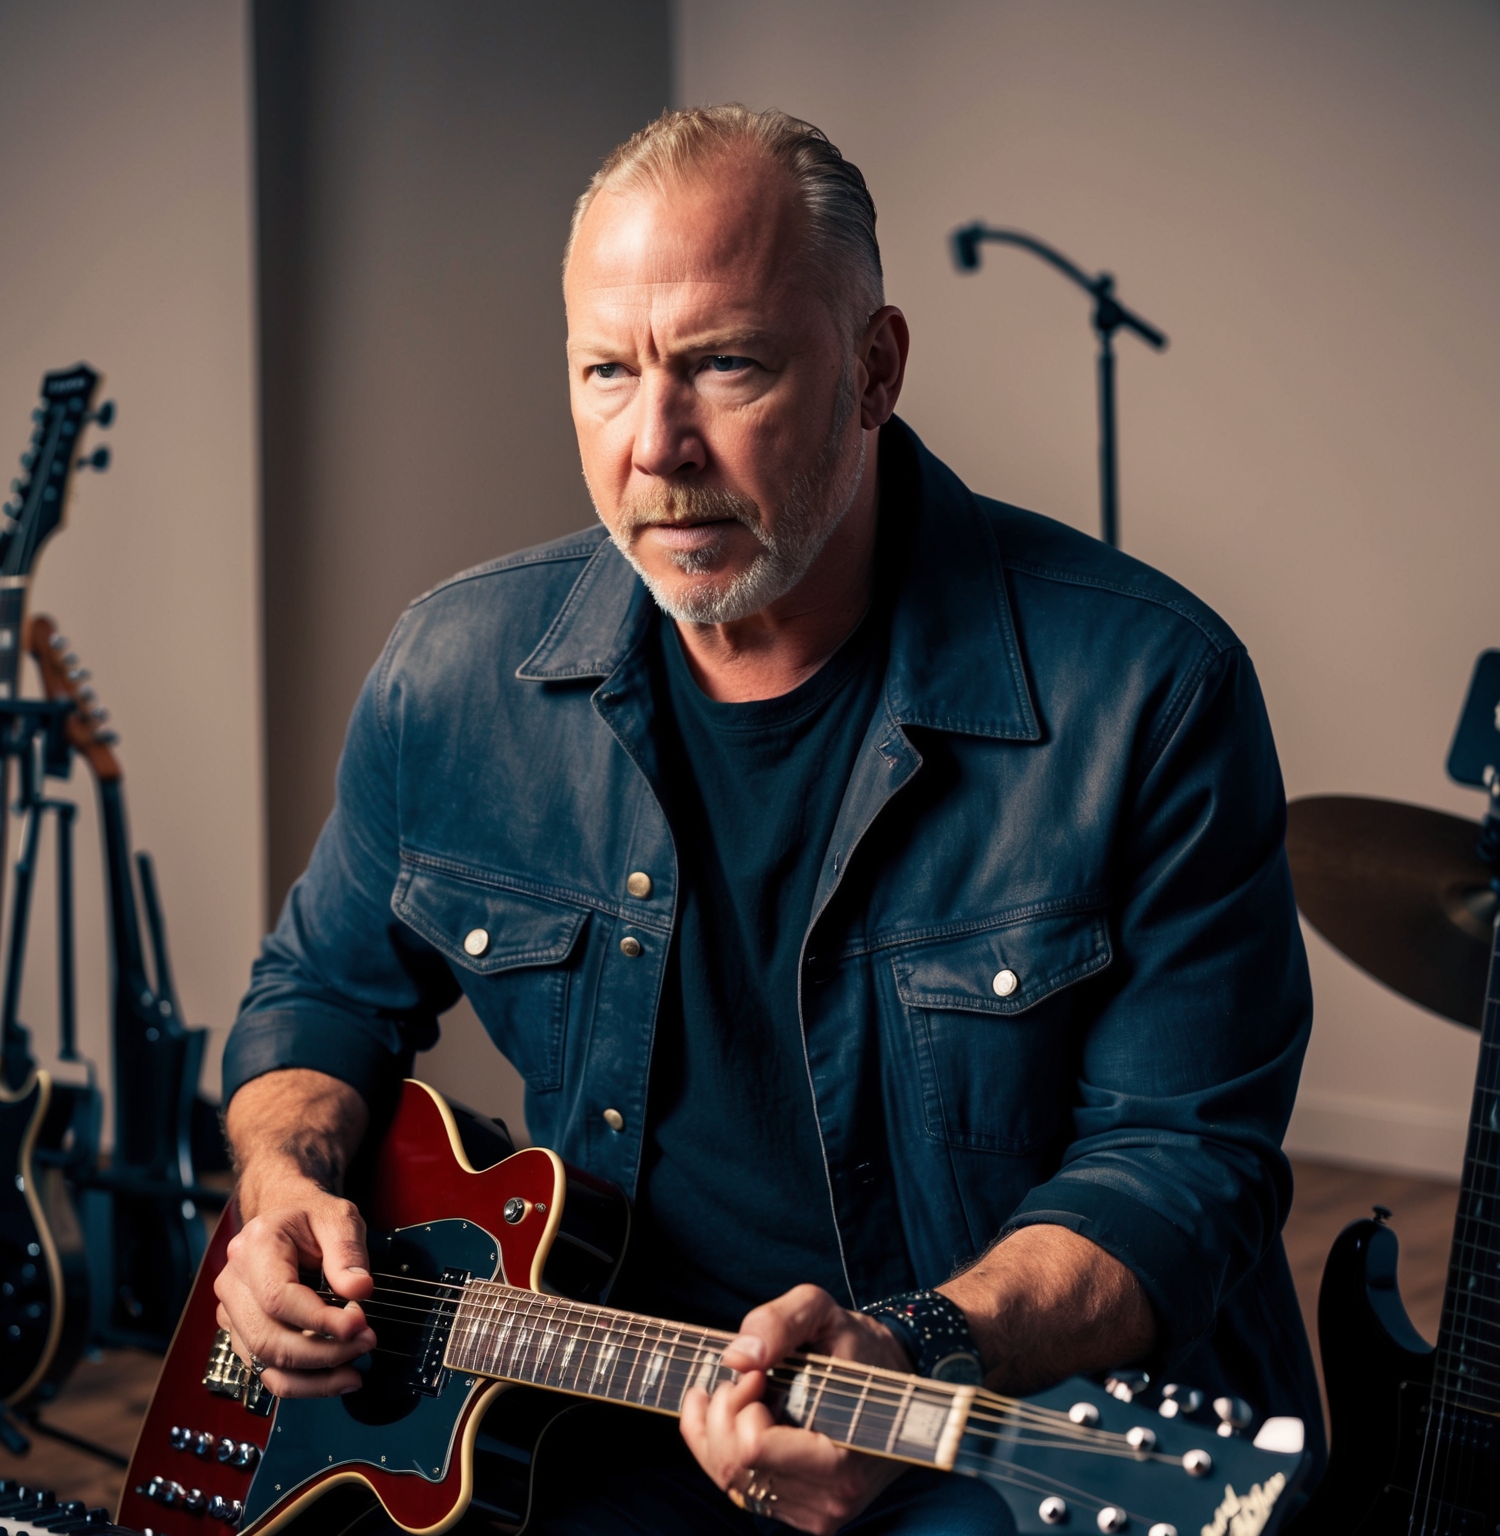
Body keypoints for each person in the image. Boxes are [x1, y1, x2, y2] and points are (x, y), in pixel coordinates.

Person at [217, 106, 1322, 1534]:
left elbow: (1182, 1168)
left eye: (725, 365)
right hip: (580, 1396)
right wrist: (278, 1184)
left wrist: (917, 1347)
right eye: (607, 373)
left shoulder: (1154, 691)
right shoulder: (452, 672)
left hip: (989, 1415)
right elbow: (318, 994)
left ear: (875, 371)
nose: (656, 447)